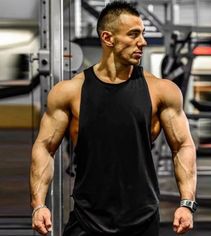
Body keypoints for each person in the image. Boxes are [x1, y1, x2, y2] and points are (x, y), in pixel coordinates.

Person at [30, 1, 197, 235]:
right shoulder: (70, 92)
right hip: (87, 220)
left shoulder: (162, 91)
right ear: (108, 38)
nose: (143, 42)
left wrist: (186, 203)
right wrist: (39, 205)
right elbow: (45, 147)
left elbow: (183, 146)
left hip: (142, 220)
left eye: (143, 34)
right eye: (134, 34)